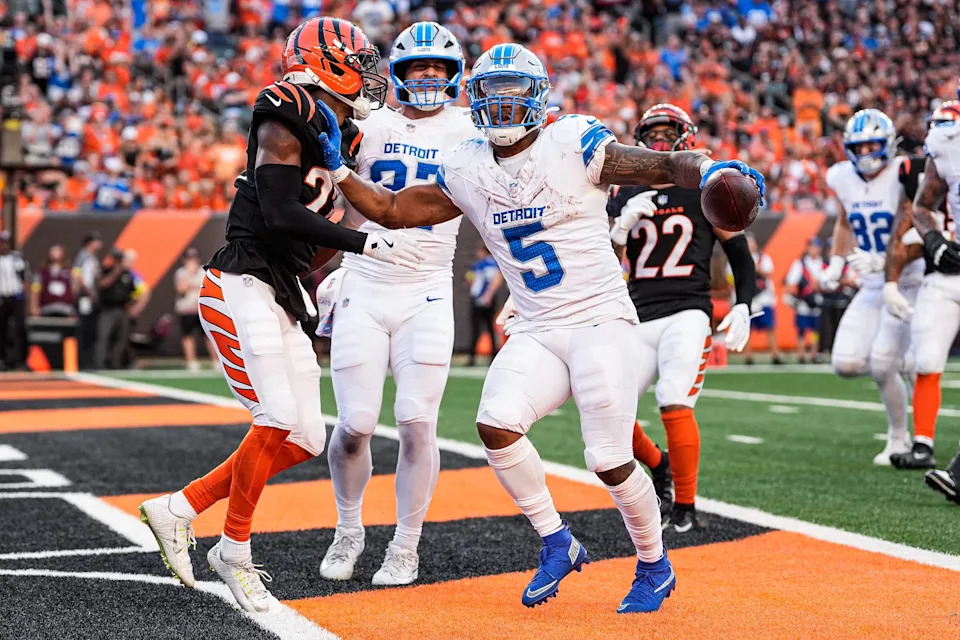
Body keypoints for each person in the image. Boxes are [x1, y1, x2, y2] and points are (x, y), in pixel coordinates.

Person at [313, 43, 764, 613]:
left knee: (607, 457)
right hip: (538, 325)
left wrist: (712, 168)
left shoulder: (573, 142)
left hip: (601, 318)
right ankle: (557, 541)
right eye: (491, 94)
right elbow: (396, 209)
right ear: (474, 100)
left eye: (514, 93)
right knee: (496, 424)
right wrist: (338, 169)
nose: (502, 106)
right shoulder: (467, 163)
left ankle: (653, 563)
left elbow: (664, 164)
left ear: (539, 97)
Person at [137, 17, 423, 613]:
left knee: (302, 438)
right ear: (326, 63)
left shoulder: (337, 132)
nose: (371, 79)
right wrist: (362, 242)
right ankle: (233, 549)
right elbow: (278, 212)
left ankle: (179, 508)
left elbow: (308, 235)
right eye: (361, 65)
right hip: (242, 278)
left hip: (282, 288)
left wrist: (347, 237)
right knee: (273, 417)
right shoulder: (287, 106)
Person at [314, 22, 478, 587]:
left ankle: (405, 544)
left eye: (439, 69)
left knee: (415, 420)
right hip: (364, 273)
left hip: (429, 284)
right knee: (356, 423)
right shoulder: (365, 119)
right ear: (398, 74)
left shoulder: (471, 128)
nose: (429, 77)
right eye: (418, 68)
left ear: (455, 76)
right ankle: (349, 527)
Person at [606, 104, 757, 533]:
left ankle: (685, 506)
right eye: (650, 134)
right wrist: (618, 231)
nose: (657, 141)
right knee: (608, 406)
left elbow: (739, 253)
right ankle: (660, 465)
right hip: (636, 314)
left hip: (687, 311)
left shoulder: (705, 187)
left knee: (674, 398)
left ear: (684, 137)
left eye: (666, 132)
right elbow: (600, 261)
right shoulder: (621, 191)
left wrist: (744, 302)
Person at [818, 109, 922, 465]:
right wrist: (835, 262)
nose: (865, 154)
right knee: (845, 363)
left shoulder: (905, 172)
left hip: (910, 279)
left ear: (888, 144)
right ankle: (906, 365)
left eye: (872, 145)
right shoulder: (843, 176)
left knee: (881, 365)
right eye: (858, 146)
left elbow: (921, 222)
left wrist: (887, 260)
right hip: (873, 282)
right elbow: (845, 223)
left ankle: (899, 438)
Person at [882, 99, 960, 472]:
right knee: (925, 359)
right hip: (947, 271)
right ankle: (923, 443)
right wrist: (934, 241)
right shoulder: (939, 156)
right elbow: (920, 208)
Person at [94, 247, 145, 369]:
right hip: (108, 309)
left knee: (121, 339)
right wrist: (114, 274)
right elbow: (101, 285)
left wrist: (132, 305)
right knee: (104, 336)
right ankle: (99, 364)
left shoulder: (128, 274)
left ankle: (115, 365)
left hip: (122, 309)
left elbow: (136, 292)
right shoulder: (106, 270)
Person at [784, 238, 825, 363]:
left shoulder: (823, 264)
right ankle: (801, 354)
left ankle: (814, 354)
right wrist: (796, 295)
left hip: (818, 300)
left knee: (816, 329)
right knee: (801, 329)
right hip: (803, 301)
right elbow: (791, 283)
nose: (814, 249)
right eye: (812, 246)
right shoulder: (800, 264)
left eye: (816, 247)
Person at [174, 248, 215, 371]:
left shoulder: (204, 271)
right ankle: (191, 361)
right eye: (189, 259)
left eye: (194, 258)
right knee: (188, 336)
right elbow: (182, 289)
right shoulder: (181, 273)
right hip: (187, 310)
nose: (192, 261)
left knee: (209, 335)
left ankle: (216, 361)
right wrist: (189, 273)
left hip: (202, 308)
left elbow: (208, 287)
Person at [743, 233, 781, 364]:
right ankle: (748, 356)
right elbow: (731, 278)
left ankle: (775, 354)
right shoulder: (740, 259)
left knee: (770, 327)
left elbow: (769, 274)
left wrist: (756, 269)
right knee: (747, 328)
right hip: (748, 297)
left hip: (764, 297)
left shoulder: (764, 258)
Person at [467, 245, 503, 366]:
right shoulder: (494, 264)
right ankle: (492, 357)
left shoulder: (480, 264)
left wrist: (486, 294)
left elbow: (470, 279)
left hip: (481, 298)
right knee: (488, 327)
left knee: (476, 328)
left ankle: (473, 357)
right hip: (489, 298)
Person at [0, 230, 29, 370]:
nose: (3, 246)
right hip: (1, 297)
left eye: (5, 243)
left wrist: (24, 296)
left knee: (20, 328)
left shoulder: (16, 258)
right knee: (2, 329)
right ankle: (2, 359)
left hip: (16, 296)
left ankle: (21, 360)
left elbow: (24, 278)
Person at [73, 232, 102, 369]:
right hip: (85, 296)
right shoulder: (84, 256)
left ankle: (88, 359)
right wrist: (87, 291)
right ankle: (84, 361)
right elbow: (77, 275)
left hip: (88, 295)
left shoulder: (91, 257)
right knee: (85, 326)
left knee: (90, 327)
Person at [30, 244, 76, 318]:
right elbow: (35, 290)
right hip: (47, 308)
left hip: (66, 309)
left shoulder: (70, 271)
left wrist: (74, 309)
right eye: (53, 251)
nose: (55, 254)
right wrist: (34, 307)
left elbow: (74, 290)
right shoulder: (42, 271)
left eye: (57, 251)